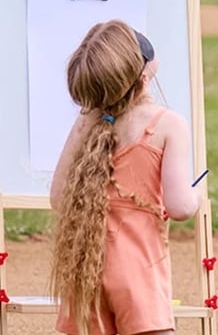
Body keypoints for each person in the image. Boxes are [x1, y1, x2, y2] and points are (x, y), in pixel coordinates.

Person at [49, 20, 200, 335]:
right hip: (138, 267)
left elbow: (58, 197)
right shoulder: (167, 124)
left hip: (85, 268)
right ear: (143, 77)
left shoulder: (86, 123)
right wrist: (195, 195)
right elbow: (181, 207)